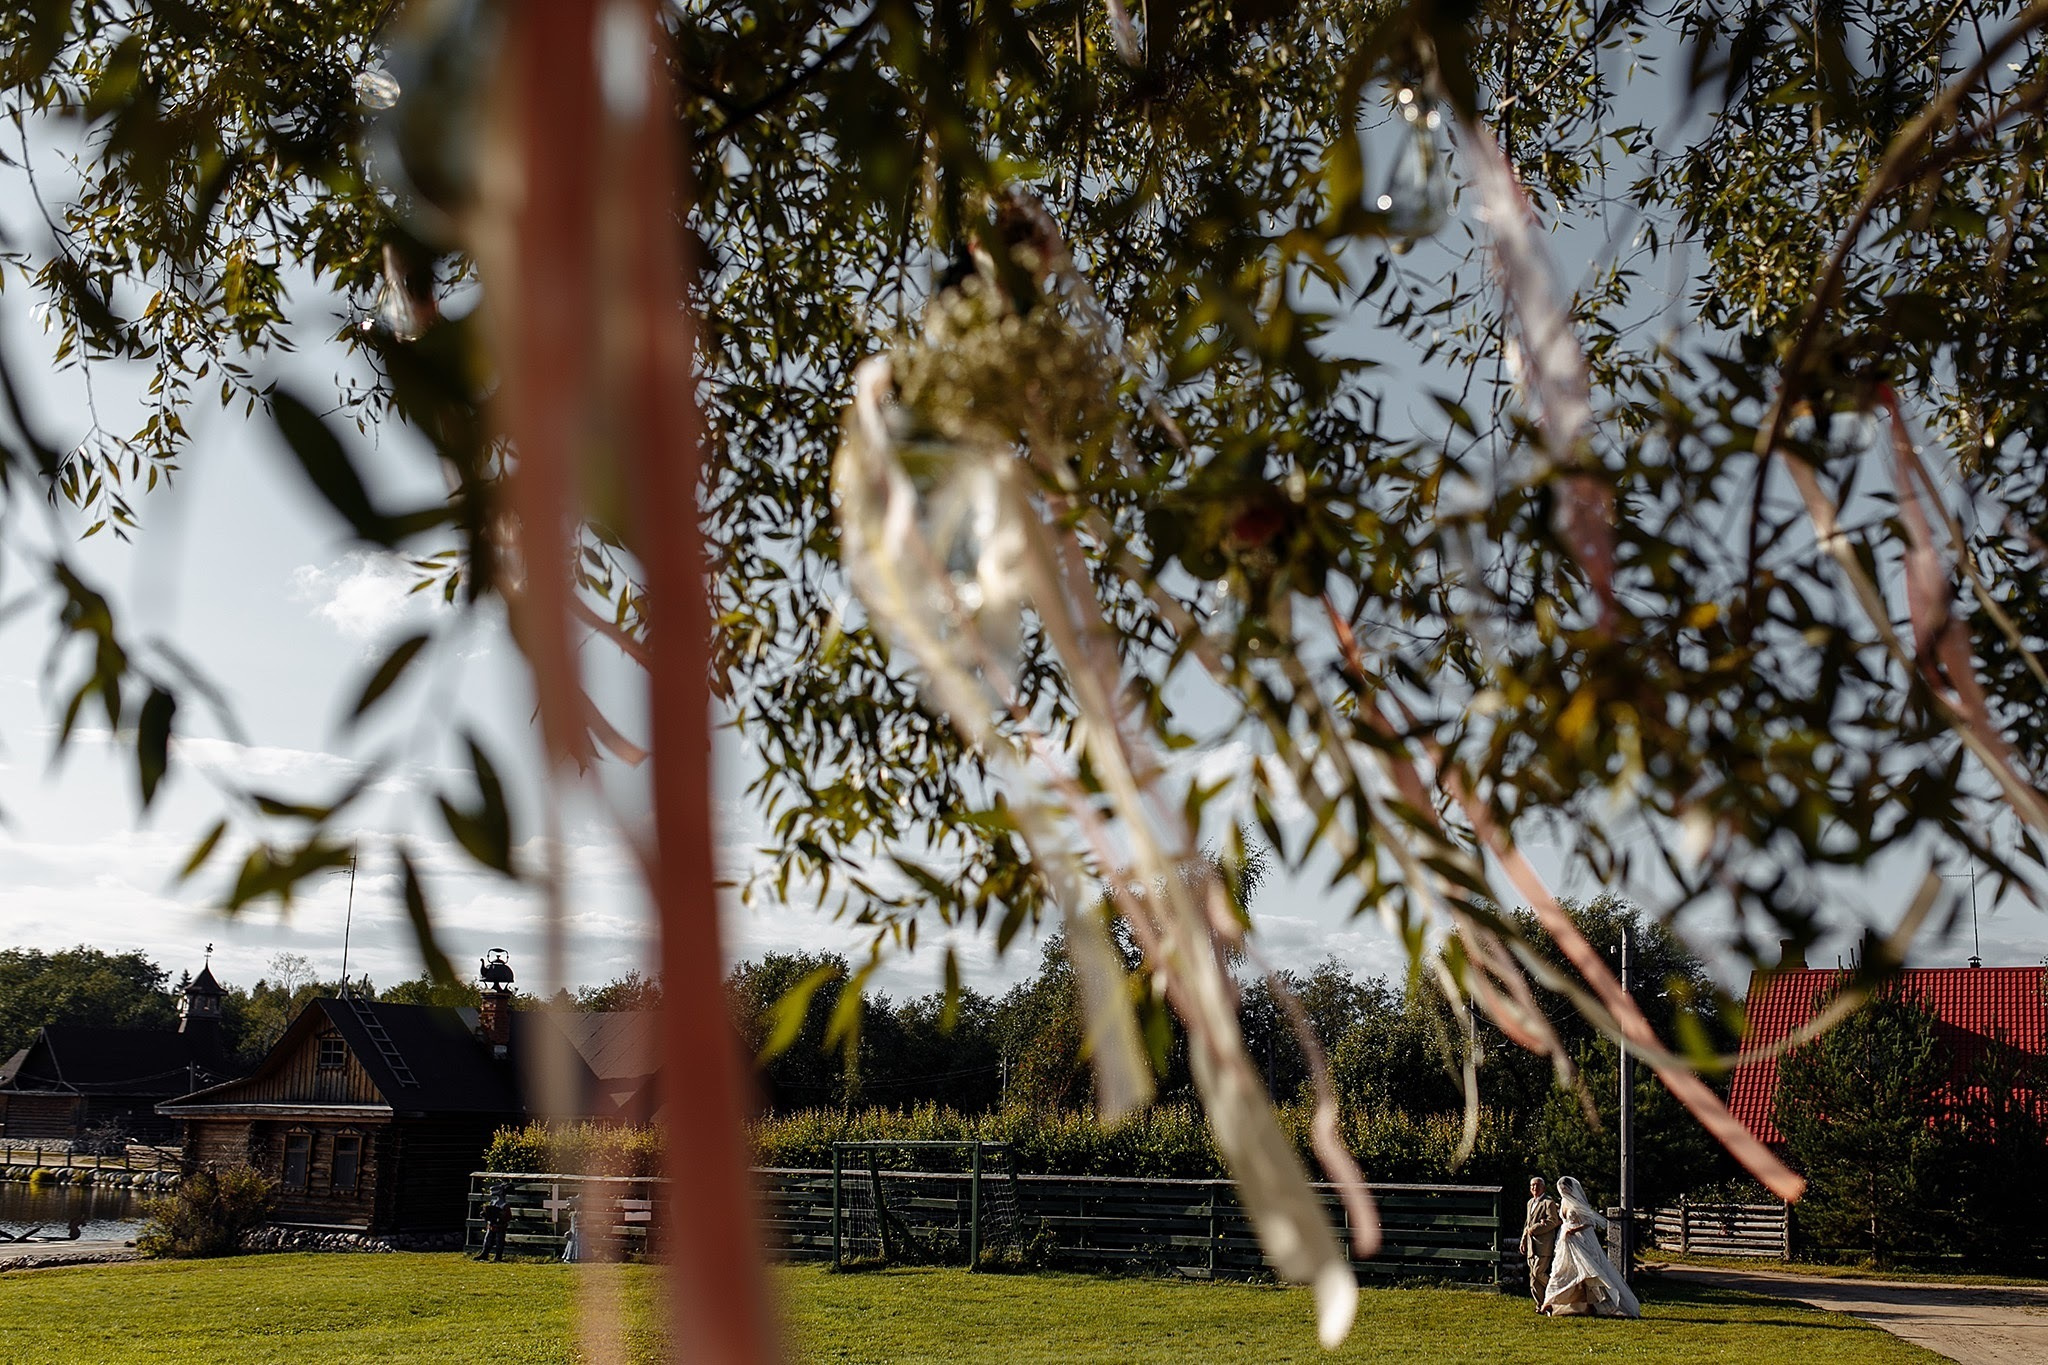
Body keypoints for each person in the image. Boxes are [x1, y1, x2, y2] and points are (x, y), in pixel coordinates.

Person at [1541, 1176, 1640, 1318]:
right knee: (1560, 1270)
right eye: (1561, 1189)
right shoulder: (1563, 1202)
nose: (1563, 1191)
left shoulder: (1578, 1202)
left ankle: (1605, 1304)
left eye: (1565, 1189)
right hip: (1566, 1242)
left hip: (1580, 1241)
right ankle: (1551, 1302)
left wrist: (1574, 1230)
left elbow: (1589, 1222)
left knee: (1589, 1271)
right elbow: (1563, 1221)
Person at [1519, 1176, 1561, 1308]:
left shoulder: (1548, 1202)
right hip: (1531, 1246)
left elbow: (1553, 1221)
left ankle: (1557, 1292)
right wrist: (1523, 1240)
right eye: (1532, 1185)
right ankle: (1541, 1305)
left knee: (1538, 1273)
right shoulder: (1530, 1203)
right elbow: (1527, 1224)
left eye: (1537, 1185)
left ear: (1543, 1187)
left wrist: (1535, 1229)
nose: (1534, 1188)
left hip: (1543, 1245)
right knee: (1533, 1278)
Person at [477, 1184, 512, 1262]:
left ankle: (498, 1256)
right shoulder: (493, 1202)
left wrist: (500, 1215)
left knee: (499, 1241)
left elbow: (508, 1217)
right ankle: (484, 1254)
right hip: (492, 1225)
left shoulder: (504, 1204)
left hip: (500, 1226)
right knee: (487, 1240)